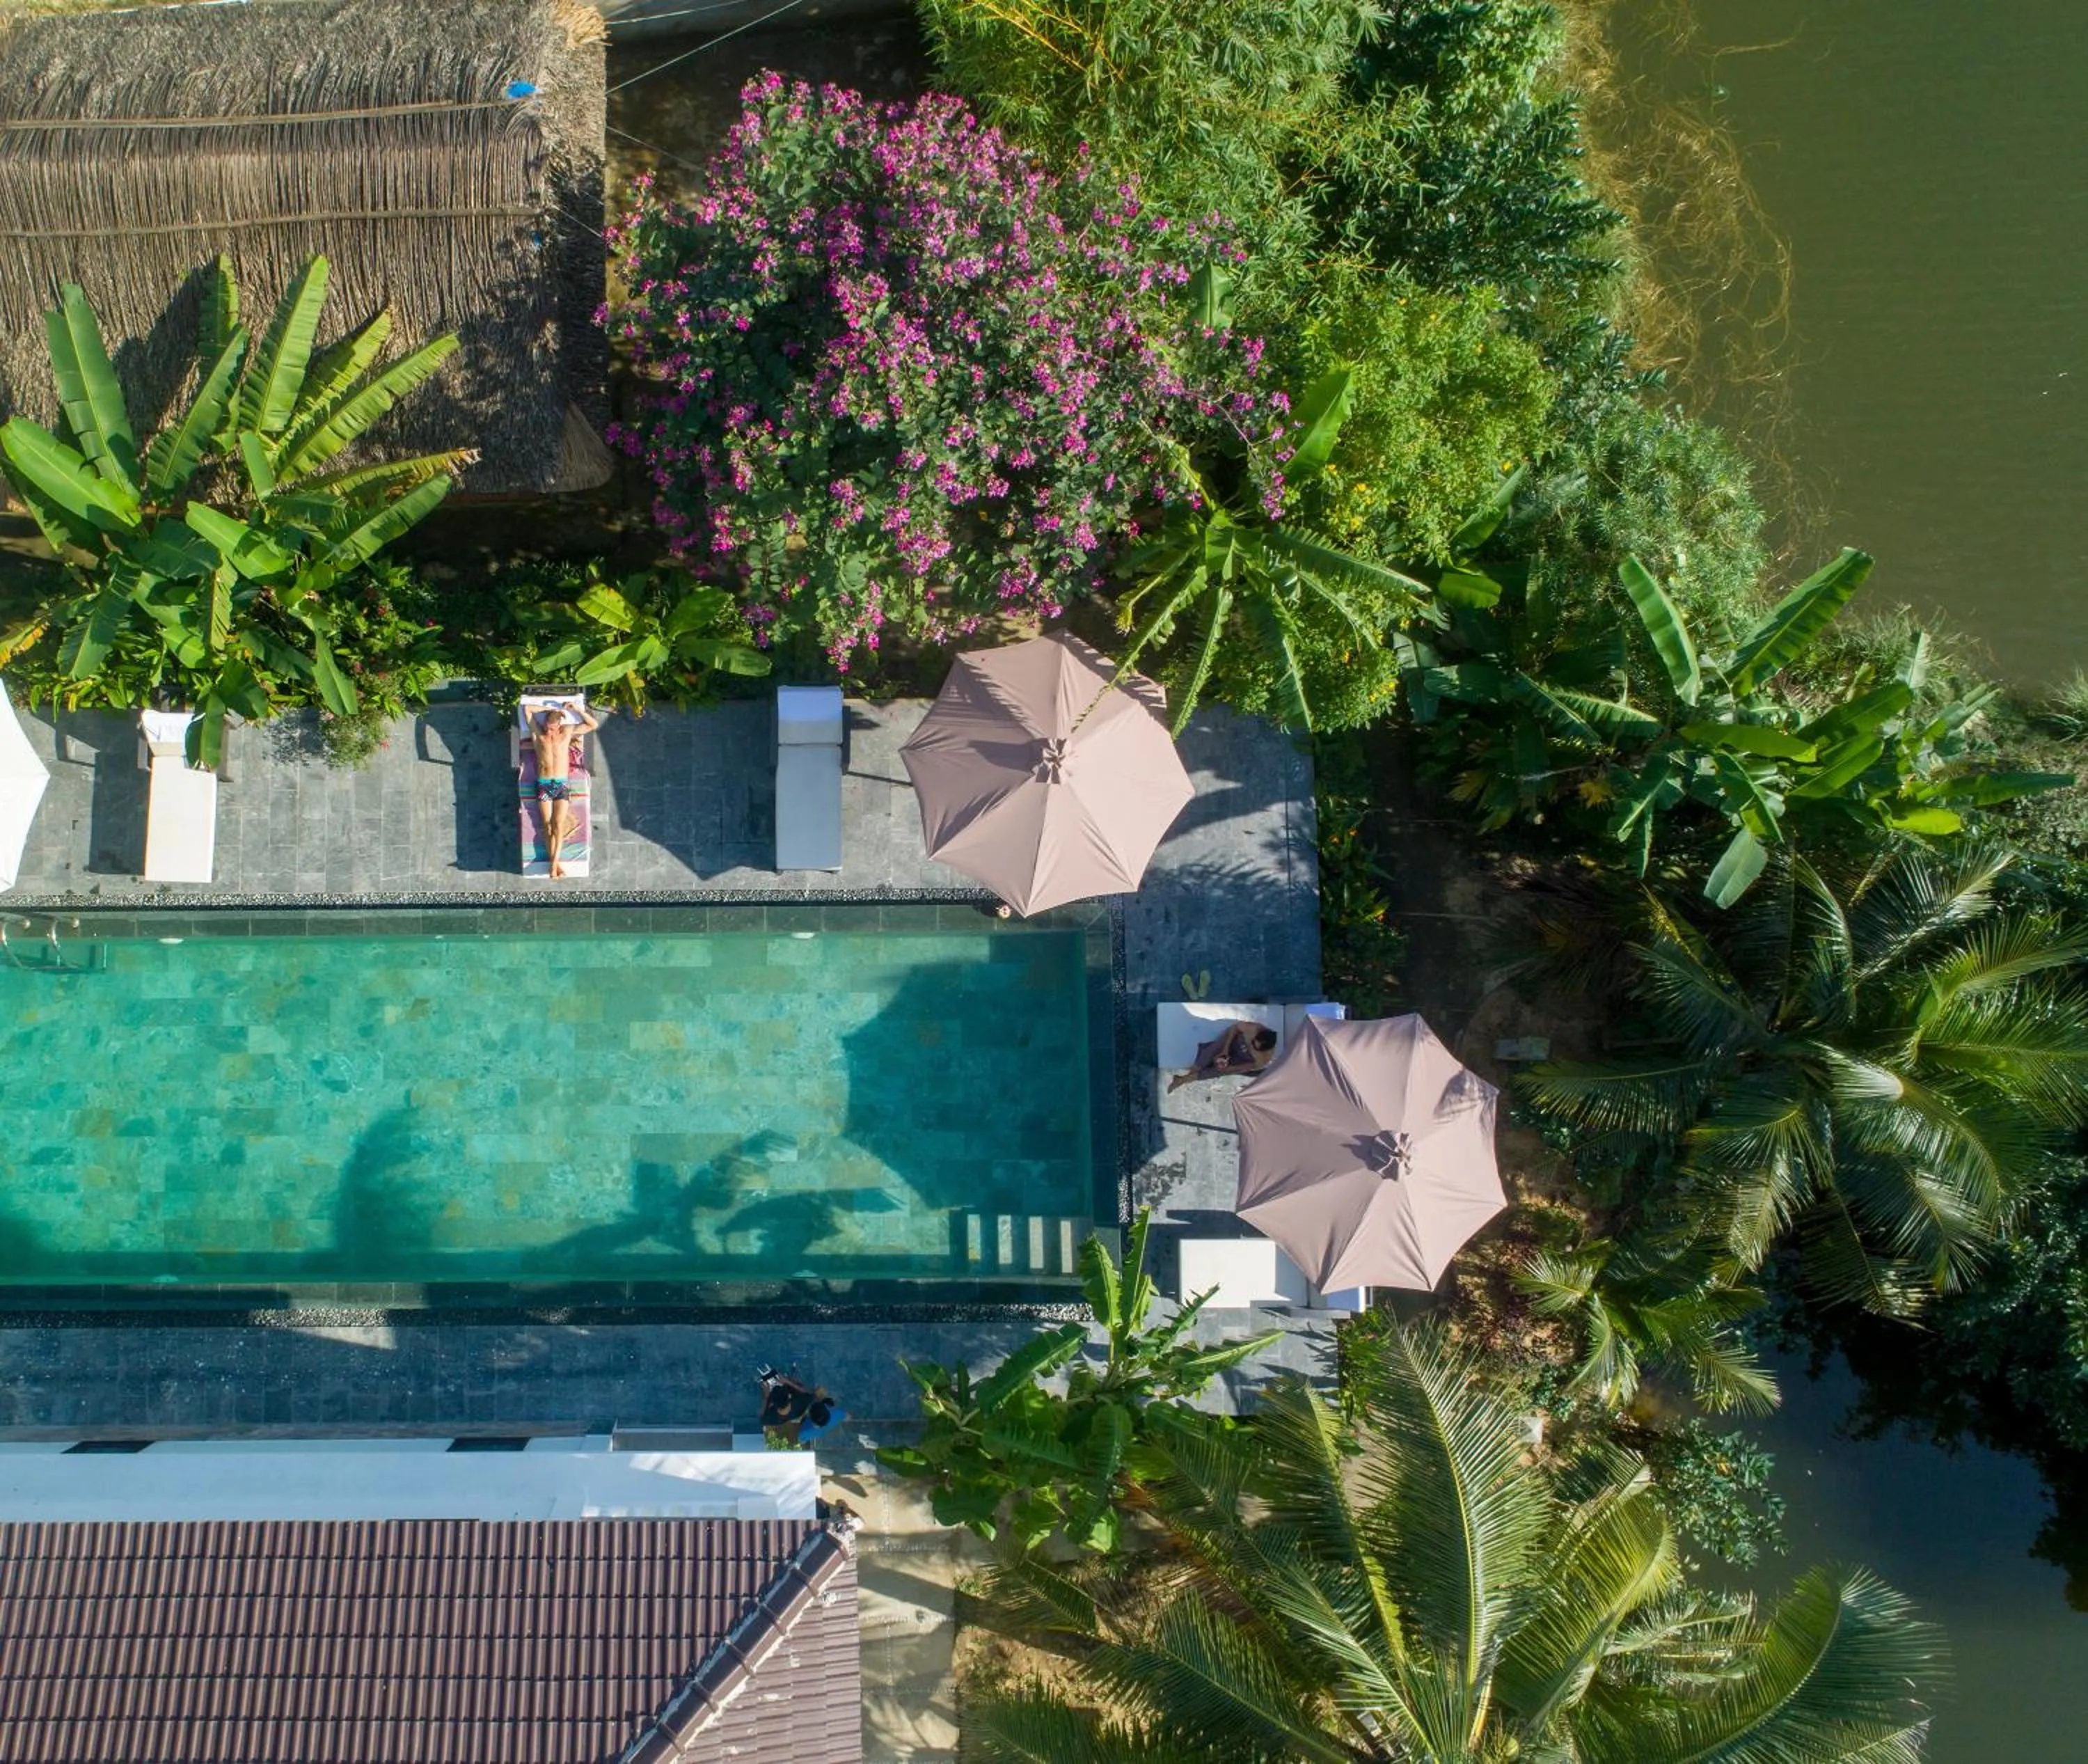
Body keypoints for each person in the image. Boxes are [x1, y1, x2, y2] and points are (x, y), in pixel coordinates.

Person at [530, 699, 600, 879]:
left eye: (553, 727)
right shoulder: (538, 734)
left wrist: (576, 709)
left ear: (560, 724)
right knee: (547, 826)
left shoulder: (567, 733)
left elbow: (593, 724)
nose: (550, 730)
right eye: (548, 726)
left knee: (558, 825)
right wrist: (550, 708)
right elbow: (528, 709)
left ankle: (553, 865)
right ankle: (556, 865)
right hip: (544, 784)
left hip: (561, 784)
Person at [1168, 1020, 1279, 1091]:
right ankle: (1180, 1080)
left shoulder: (1264, 1059)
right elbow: (1234, 1028)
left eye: (1255, 1047)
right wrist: (1225, 1049)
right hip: (1232, 1043)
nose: (1252, 1045)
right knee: (1211, 1051)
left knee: (1219, 1071)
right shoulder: (1253, 1029)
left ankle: (1181, 1080)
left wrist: (1230, 1068)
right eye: (1253, 1042)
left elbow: (1244, 1068)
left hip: (1240, 1060)